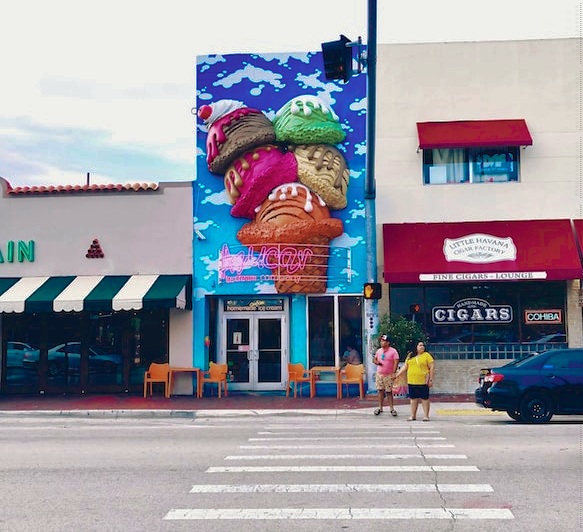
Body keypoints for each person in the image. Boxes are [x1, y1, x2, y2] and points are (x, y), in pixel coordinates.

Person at [395, 340, 435, 421]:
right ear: (416, 347)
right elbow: (405, 366)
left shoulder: (427, 356)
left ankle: (426, 416)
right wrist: (397, 374)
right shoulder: (410, 356)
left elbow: (432, 367)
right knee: (413, 399)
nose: (422, 347)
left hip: (423, 381)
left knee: (425, 398)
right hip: (412, 381)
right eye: (420, 345)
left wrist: (430, 379)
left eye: (423, 345)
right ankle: (413, 415)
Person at [372, 334, 399, 416]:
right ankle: (380, 407)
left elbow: (396, 361)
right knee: (380, 390)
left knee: (389, 391)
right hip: (380, 374)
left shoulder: (393, 351)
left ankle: (391, 408)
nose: (381, 342)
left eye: (383, 341)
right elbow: (375, 359)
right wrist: (376, 362)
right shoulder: (379, 351)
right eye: (381, 341)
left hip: (388, 374)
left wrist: (394, 372)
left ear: (388, 343)